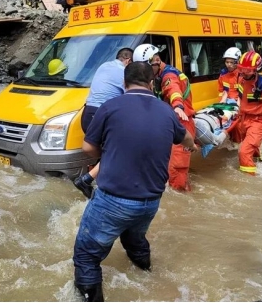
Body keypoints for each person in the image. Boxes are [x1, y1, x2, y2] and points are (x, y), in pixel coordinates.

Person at [72, 61, 197, 302]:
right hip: (150, 202)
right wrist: (191, 146)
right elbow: (187, 139)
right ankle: (147, 276)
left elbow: (87, 147)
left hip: (113, 201)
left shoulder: (110, 107)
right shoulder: (166, 111)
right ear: (151, 83)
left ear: (124, 83)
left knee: (87, 256)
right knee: (134, 239)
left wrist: (107, 152)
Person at [133, 44, 196, 191]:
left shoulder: (169, 75)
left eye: (146, 69)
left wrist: (178, 106)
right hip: (169, 122)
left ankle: (182, 198)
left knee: (177, 171)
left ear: (156, 61)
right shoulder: (157, 75)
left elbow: (173, 90)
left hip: (181, 122)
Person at [72, 48, 134, 199]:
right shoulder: (124, 72)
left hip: (87, 114)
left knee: (109, 151)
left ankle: (97, 187)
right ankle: (87, 180)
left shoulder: (103, 65)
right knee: (117, 151)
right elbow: (132, 97)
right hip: (102, 115)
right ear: (128, 61)